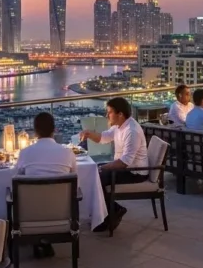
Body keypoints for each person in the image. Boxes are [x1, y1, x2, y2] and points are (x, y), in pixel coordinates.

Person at [80, 97, 150, 234]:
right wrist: (89, 134)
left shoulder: (132, 131)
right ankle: (105, 215)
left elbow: (125, 162)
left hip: (135, 172)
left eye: (109, 112)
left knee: (98, 177)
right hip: (126, 167)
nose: (107, 115)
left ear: (120, 114)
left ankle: (113, 212)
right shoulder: (120, 126)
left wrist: (102, 168)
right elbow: (104, 137)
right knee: (97, 174)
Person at [14, 112, 77, 258]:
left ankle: (35, 240)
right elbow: (75, 178)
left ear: (35, 131)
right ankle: (45, 241)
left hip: (30, 215)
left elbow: (16, 177)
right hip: (61, 213)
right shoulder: (68, 153)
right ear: (54, 130)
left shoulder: (25, 153)